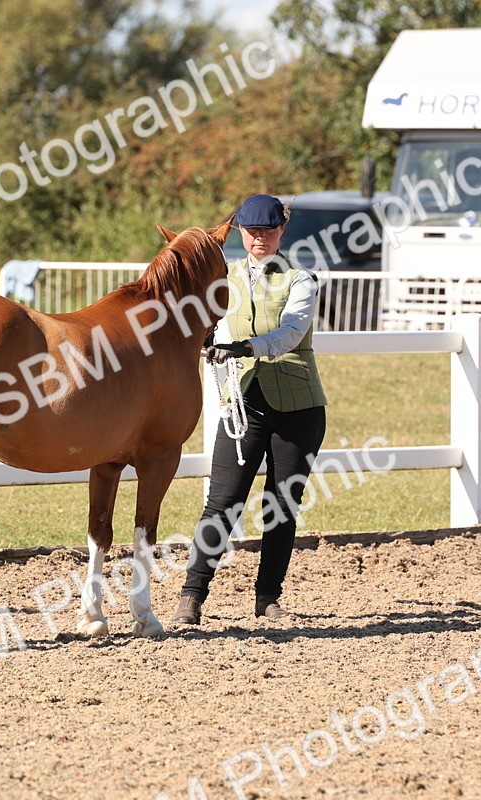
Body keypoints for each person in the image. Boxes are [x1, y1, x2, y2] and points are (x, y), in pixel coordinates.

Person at [171, 193, 327, 624]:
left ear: (281, 230)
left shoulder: (301, 280)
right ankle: (192, 595)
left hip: (298, 406)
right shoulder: (224, 277)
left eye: (268, 230)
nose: (260, 238)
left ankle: (268, 597)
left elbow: (293, 332)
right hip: (243, 403)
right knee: (222, 501)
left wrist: (245, 346)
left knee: (281, 503)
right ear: (240, 232)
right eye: (252, 231)